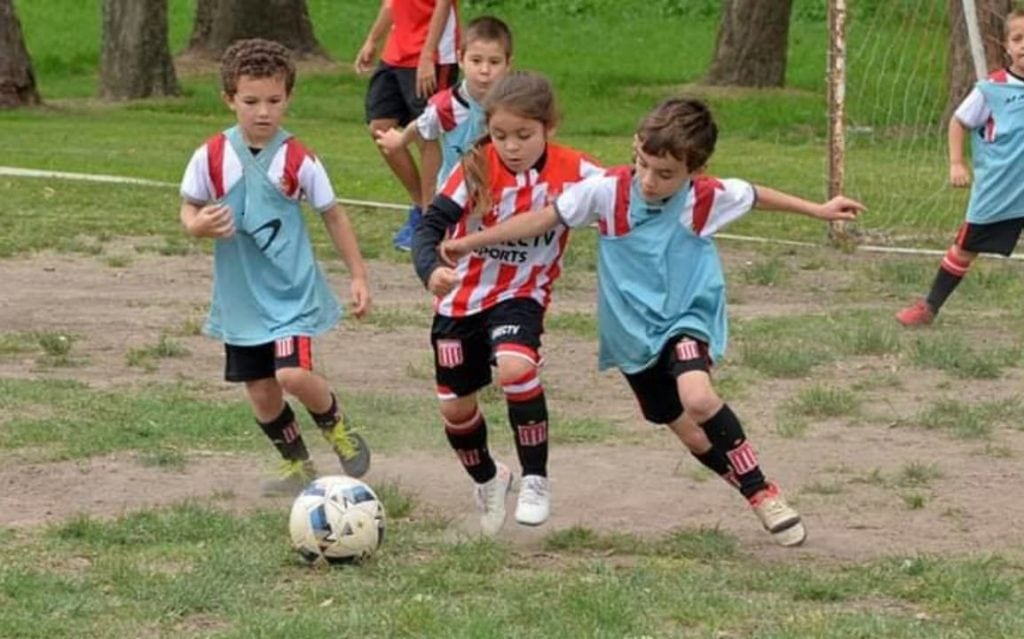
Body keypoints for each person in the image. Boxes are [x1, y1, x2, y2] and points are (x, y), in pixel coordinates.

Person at [441, 98, 867, 547]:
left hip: (686, 316)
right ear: (635, 147)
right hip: (631, 337)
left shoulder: (704, 199)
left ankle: (764, 491)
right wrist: (472, 241)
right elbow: (542, 219)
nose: (649, 180)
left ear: (693, 171)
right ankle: (749, 489)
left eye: (665, 175)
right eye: (643, 165)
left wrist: (818, 210)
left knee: (699, 399)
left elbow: (755, 194)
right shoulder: (605, 192)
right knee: (688, 430)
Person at [412, 71, 605, 536]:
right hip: (460, 304)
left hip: (522, 295)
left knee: (516, 367)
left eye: (524, 135)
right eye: (501, 135)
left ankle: (536, 478)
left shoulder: (577, 172)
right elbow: (428, 228)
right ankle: (490, 478)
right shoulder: (476, 165)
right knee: (456, 410)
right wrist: (431, 272)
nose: (512, 146)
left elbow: (629, 196)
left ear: (549, 128)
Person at [178, 39, 372, 496]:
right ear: (229, 99)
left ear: (288, 98)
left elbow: (333, 214)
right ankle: (297, 467)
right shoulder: (211, 156)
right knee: (262, 393)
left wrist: (359, 275)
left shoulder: (298, 157)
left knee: (291, 375)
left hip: (291, 293)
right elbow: (189, 208)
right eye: (250, 101)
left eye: (274, 100)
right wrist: (198, 225)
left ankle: (337, 426)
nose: (263, 112)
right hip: (240, 298)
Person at [896, 9, 1024, 326]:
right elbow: (959, 122)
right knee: (966, 247)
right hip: (1001, 190)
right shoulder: (991, 90)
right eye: (1018, 38)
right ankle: (929, 307)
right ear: (1005, 45)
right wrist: (957, 162)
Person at [355, 0, 461, 251]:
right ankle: (421, 208)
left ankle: (430, 222)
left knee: (428, 133)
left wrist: (427, 55)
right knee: (380, 127)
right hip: (397, 53)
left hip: (432, 55)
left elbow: (443, 5)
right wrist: (373, 39)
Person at [375, 16, 513, 199]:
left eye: (494, 62)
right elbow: (421, 125)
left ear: (508, 64)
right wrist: (400, 141)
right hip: (453, 197)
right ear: (461, 59)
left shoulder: (513, 106)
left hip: (496, 196)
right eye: (476, 61)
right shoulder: (447, 106)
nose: (485, 70)